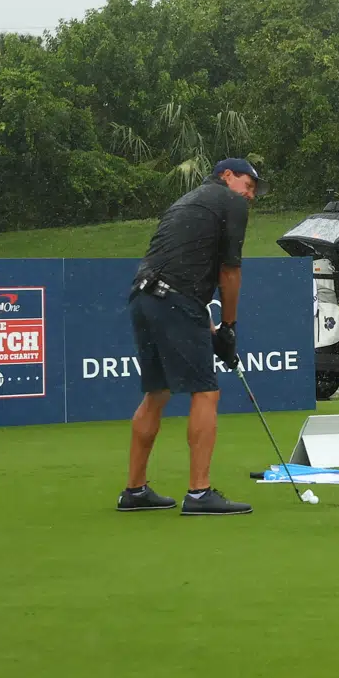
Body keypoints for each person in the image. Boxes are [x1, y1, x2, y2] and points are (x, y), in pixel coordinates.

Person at [117, 158, 266, 515]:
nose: (250, 196)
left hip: (144, 296)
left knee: (158, 392)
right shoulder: (229, 202)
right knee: (206, 391)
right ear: (227, 176)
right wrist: (228, 328)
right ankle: (199, 494)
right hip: (175, 300)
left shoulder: (188, 201)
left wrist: (209, 328)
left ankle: (134, 490)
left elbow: (184, 265)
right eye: (248, 185)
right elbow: (230, 271)